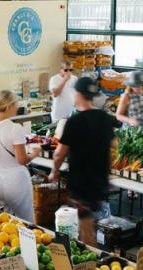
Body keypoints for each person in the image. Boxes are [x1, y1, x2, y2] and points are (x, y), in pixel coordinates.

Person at [49, 77, 115, 245]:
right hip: (101, 182)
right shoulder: (105, 118)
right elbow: (114, 147)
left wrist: (54, 171)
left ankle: (91, 263)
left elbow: (59, 154)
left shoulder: (74, 122)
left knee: (86, 229)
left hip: (82, 183)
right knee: (97, 223)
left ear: (77, 94)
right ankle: (97, 256)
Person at [0, 90, 40, 221]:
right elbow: (22, 160)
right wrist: (34, 153)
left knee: (1, 224)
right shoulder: (15, 128)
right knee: (27, 224)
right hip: (16, 183)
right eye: (16, 103)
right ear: (9, 106)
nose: (18, 107)